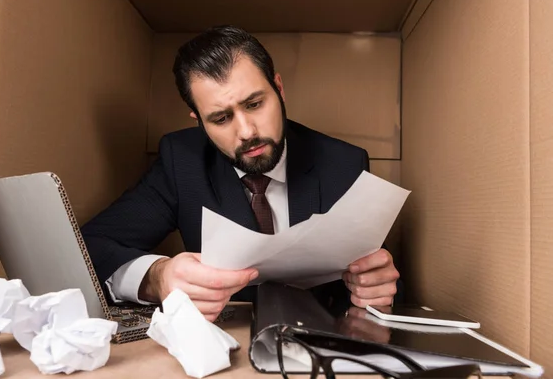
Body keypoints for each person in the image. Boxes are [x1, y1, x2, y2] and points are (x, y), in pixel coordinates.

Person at [80, 25, 400, 322]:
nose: (246, 132)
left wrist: (372, 292)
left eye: (255, 104)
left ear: (279, 88)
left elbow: (360, 287)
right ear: (198, 121)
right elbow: (90, 246)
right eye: (220, 118)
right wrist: (156, 277)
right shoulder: (182, 160)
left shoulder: (344, 164)